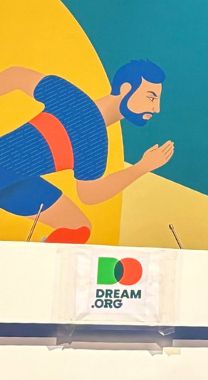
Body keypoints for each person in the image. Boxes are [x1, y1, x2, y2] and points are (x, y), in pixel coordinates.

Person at [0, 61, 172, 244]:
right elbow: (15, 75)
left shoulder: (93, 139)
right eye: (151, 97)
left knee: (77, 228)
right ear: (126, 88)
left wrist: (141, 167)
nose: (156, 108)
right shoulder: (80, 113)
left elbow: (89, 194)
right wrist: (141, 167)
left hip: (16, 181)